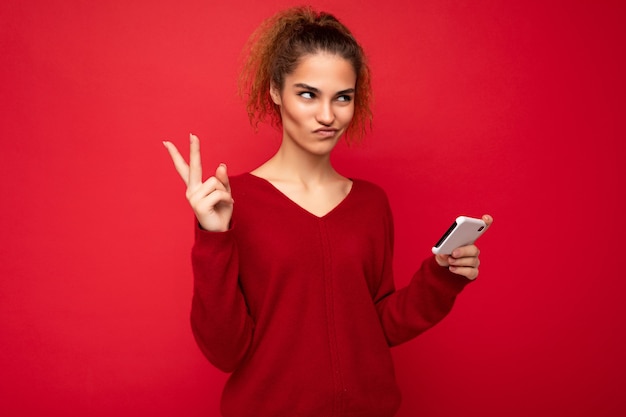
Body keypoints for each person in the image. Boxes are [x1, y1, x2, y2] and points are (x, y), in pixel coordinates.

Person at [163, 6, 492, 417]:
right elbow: (226, 351)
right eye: (307, 94)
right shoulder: (233, 202)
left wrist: (442, 276)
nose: (327, 116)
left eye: (342, 98)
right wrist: (214, 236)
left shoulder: (371, 203)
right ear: (274, 91)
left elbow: (377, 327)